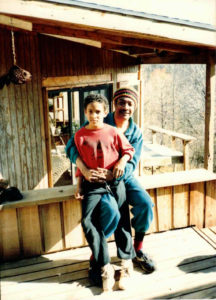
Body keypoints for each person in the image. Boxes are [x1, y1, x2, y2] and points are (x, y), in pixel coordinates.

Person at [65, 87, 156, 284]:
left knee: (145, 204)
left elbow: (132, 159)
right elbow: (74, 147)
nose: (125, 107)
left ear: (135, 107)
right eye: (121, 103)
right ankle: (97, 256)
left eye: (130, 104)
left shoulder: (135, 132)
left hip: (122, 177)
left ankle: (136, 250)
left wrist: (114, 172)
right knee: (106, 214)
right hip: (97, 178)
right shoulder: (98, 120)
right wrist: (83, 175)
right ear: (113, 105)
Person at [73, 93, 136, 291]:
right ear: (85, 112)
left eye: (98, 112)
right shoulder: (80, 135)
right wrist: (79, 184)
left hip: (115, 182)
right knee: (88, 221)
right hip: (93, 185)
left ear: (105, 112)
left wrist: (121, 162)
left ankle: (126, 263)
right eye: (90, 111)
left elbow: (128, 150)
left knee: (122, 220)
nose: (94, 115)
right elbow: (80, 163)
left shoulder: (113, 131)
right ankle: (105, 266)